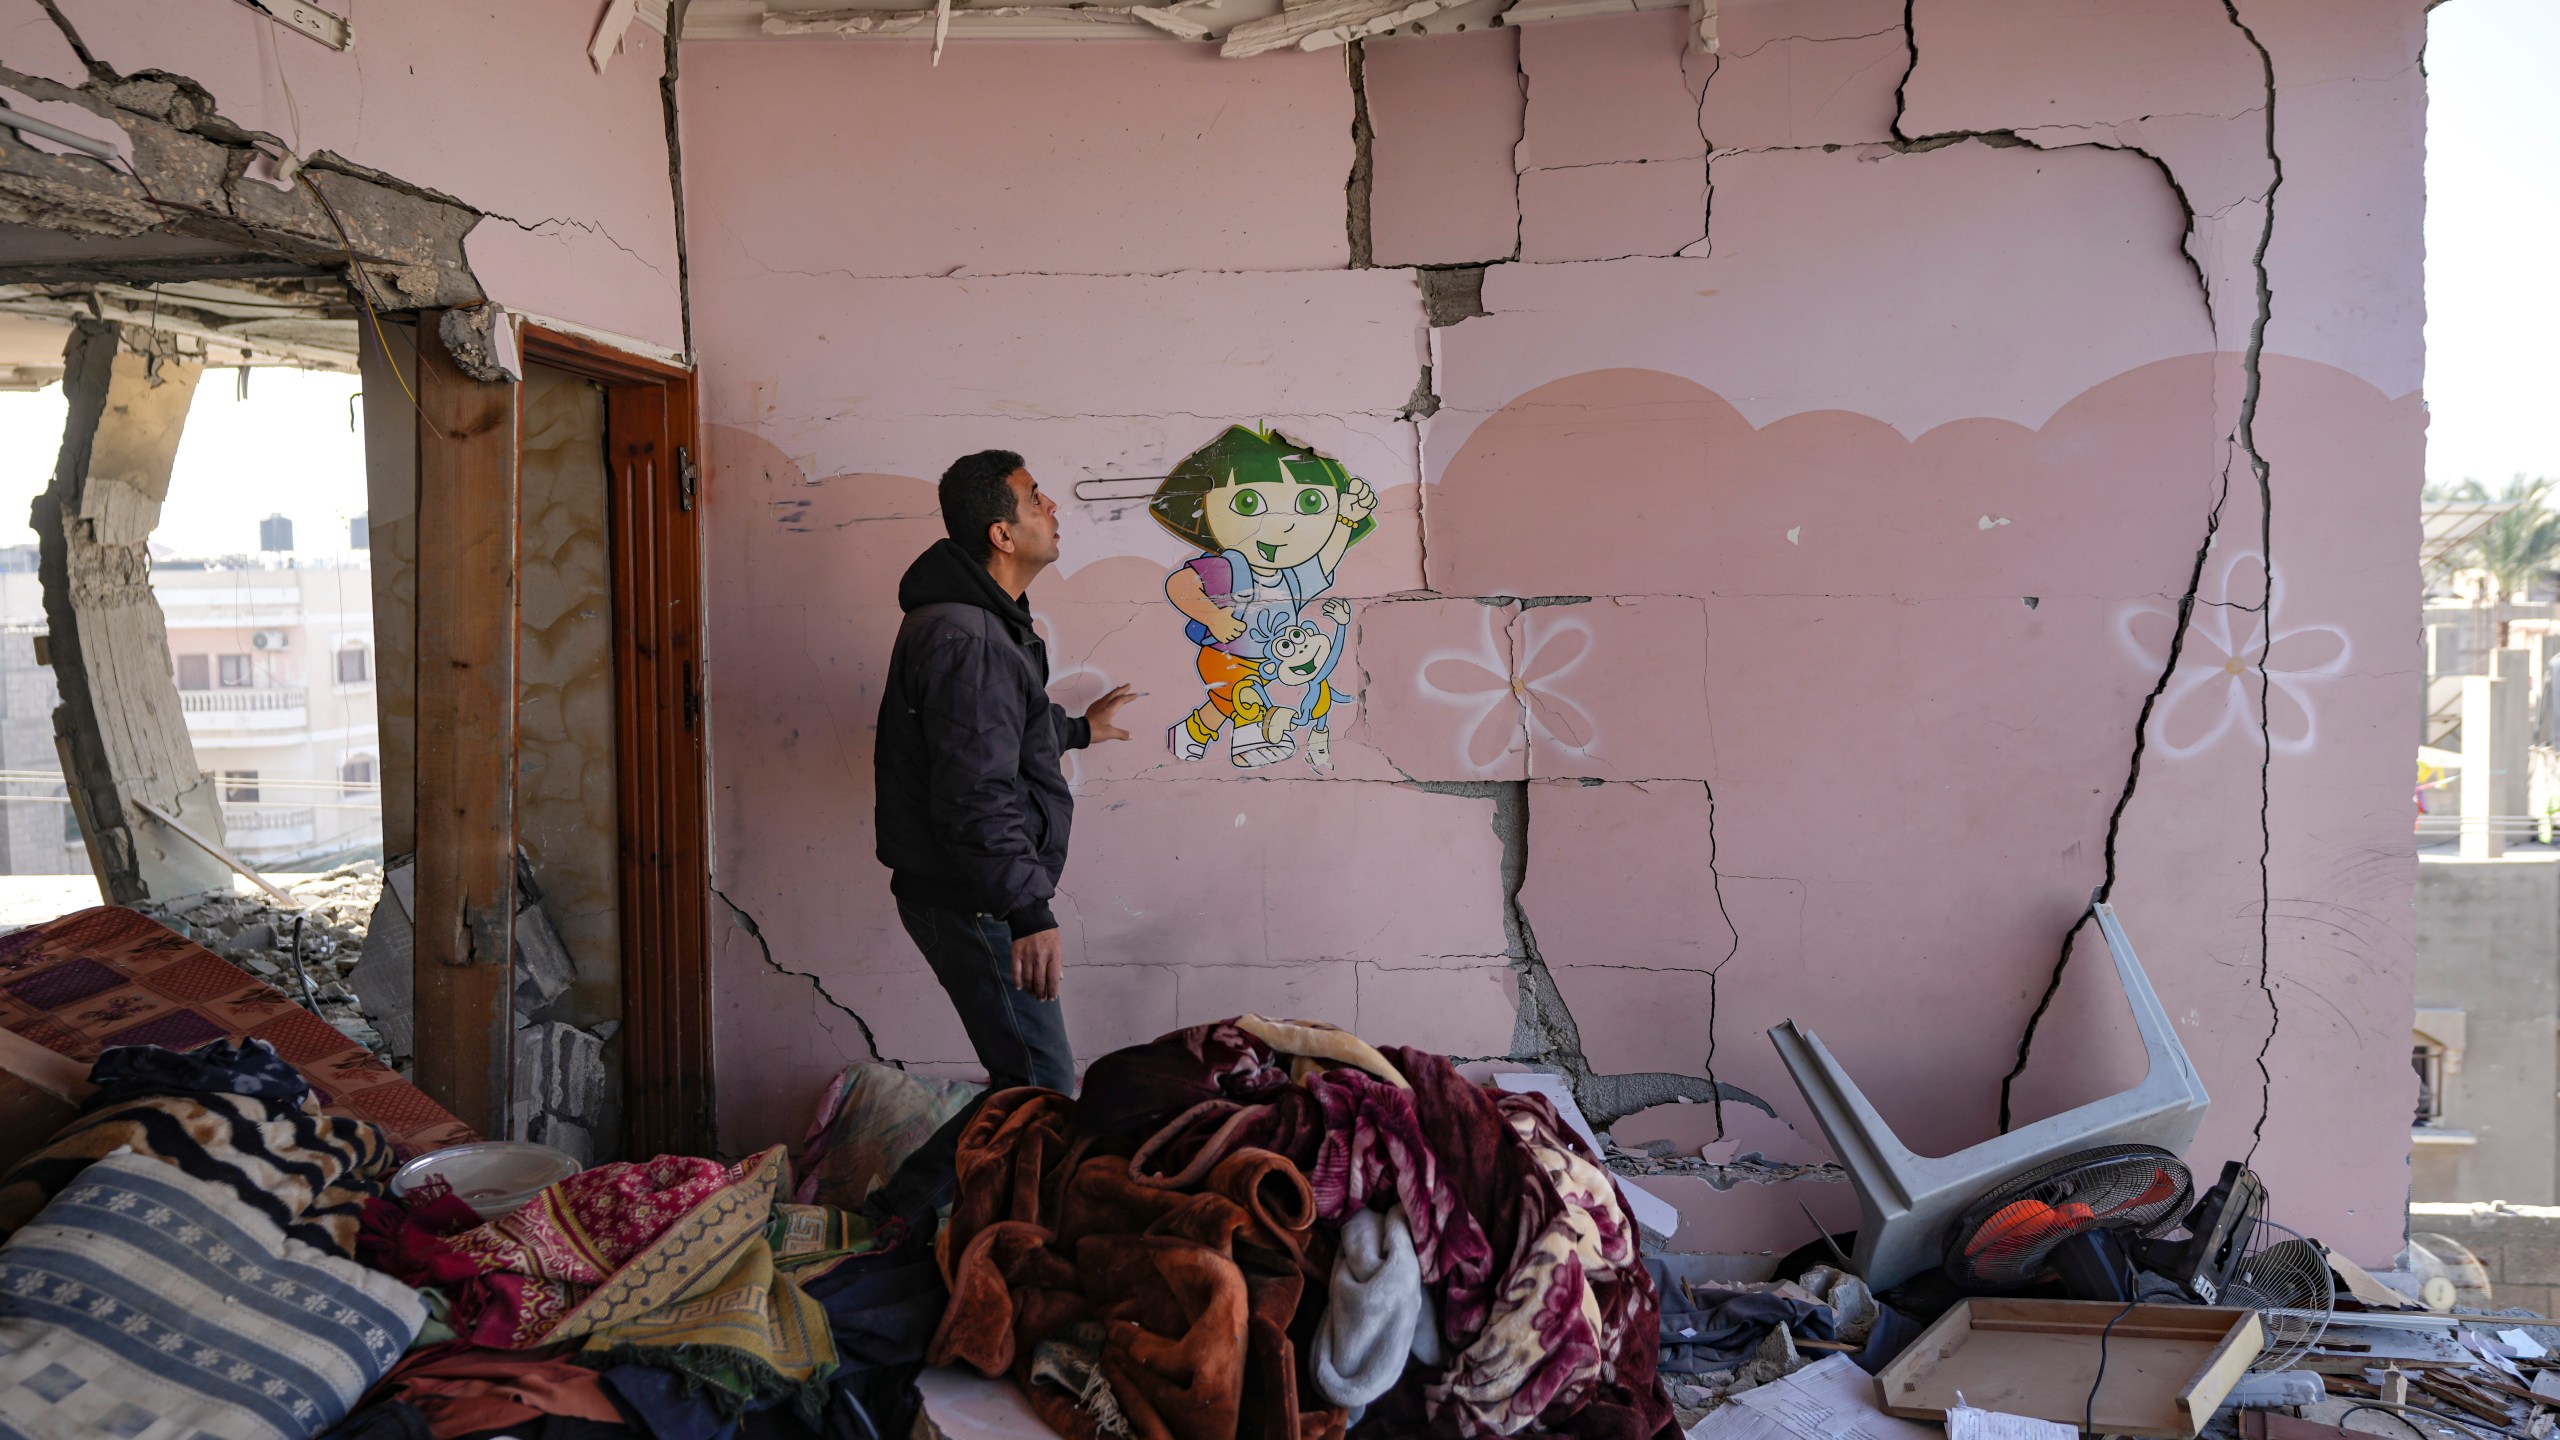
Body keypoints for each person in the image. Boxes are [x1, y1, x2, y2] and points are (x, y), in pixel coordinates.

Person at [874, 450, 1136, 1107]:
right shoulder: (973, 639)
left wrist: (1077, 730)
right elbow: (975, 793)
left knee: (1028, 1085)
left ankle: (907, 1209)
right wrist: (1026, 911)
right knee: (1040, 1089)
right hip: (976, 899)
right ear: (1002, 533)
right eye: (1035, 498)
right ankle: (901, 1211)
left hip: (970, 891)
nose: (1053, 509)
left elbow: (993, 731)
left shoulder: (976, 624)